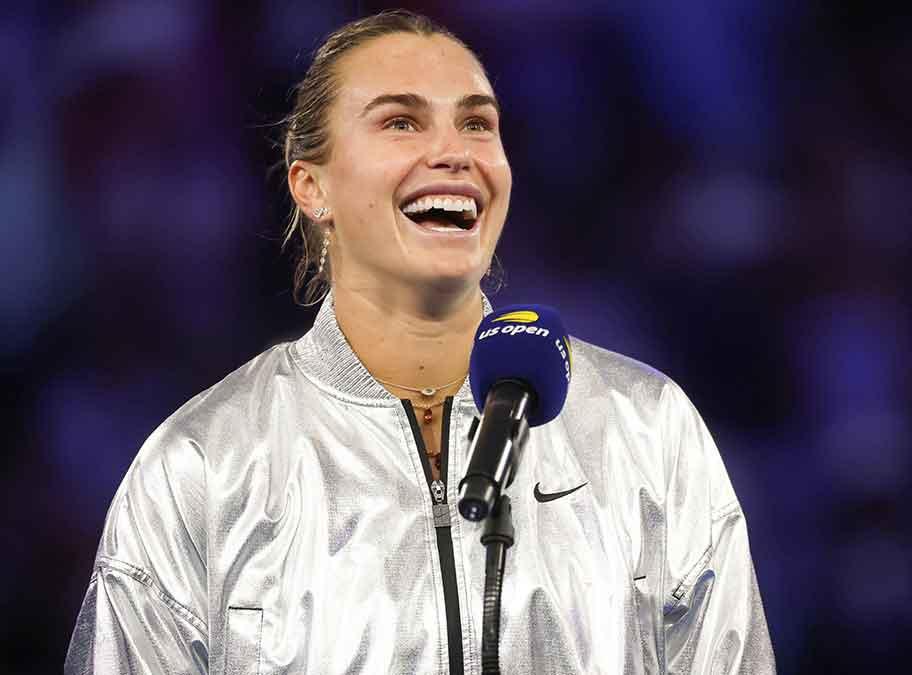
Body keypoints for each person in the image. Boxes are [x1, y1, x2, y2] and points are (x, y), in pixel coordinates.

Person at [65, 10, 775, 674]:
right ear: (312, 186)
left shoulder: (644, 428)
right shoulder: (200, 466)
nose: (454, 153)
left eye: (477, 125)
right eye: (401, 122)